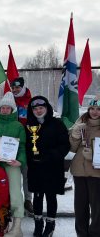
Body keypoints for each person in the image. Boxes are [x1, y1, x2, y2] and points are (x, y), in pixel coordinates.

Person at [0, 92, 26, 237]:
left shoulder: (18, 126)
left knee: (14, 193)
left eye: (8, 108)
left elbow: (22, 146)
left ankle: (17, 227)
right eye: (3, 108)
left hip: (12, 165)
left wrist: (19, 160)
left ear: (12, 109)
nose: (5, 110)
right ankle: (3, 222)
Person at [26, 96, 70, 237]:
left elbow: (65, 145)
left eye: (41, 108)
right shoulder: (28, 125)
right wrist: (29, 156)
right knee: (37, 197)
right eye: (35, 109)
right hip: (35, 168)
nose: (38, 111)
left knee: (51, 196)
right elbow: (25, 145)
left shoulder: (57, 124)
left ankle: (50, 225)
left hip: (52, 167)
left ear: (47, 108)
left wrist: (51, 155)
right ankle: (38, 224)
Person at [69, 97, 100, 237]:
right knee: (80, 207)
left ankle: (95, 233)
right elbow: (72, 149)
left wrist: (93, 155)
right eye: (92, 108)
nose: (94, 112)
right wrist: (74, 136)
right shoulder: (81, 123)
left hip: (97, 173)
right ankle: (81, 234)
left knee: (97, 208)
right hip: (79, 171)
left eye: (98, 109)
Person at [10, 77, 34, 215]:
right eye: (13, 88)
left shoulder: (30, 102)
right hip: (12, 143)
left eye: (18, 87)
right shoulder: (10, 101)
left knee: (26, 173)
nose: (15, 90)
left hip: (27, 142)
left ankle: (28, 200)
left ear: (23, 87)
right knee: (12, 174)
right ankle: (15, 201)